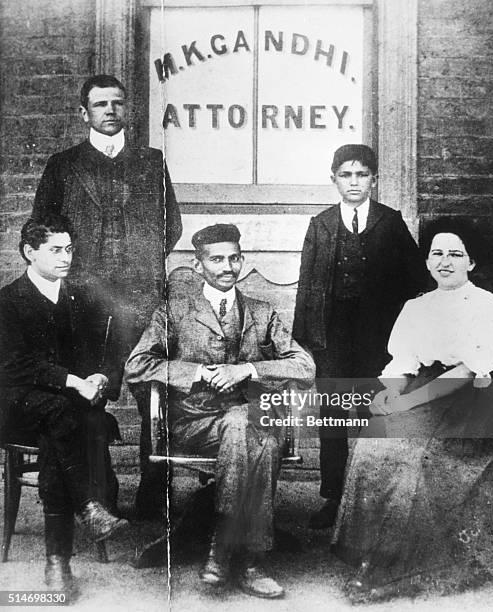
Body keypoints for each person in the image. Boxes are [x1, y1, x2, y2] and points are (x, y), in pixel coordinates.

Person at [125, 224, 315, 599]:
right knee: (256, 436)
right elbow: (136, 365)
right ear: (198, 267)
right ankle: (249, 559)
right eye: (217, 259)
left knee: (246, 424)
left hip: (247, 419)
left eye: (234, 258)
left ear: (242, 260)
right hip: (196, 422)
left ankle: (222, 548)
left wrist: (249, 369)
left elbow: (305, 367)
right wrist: (194, 372)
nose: (228, 267)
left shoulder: (262, 313)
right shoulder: (173, 313)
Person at [33, 74, 182, 517]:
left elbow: (170, 225)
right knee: (84, 393)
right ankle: (99, 495)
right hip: (82, 299)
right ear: (85, 113)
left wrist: (139, 266)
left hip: (139, 299)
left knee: (154, 392)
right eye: (101, 105)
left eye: (118, 103)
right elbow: (42, 228)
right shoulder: (63, 165)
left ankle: (153, 498)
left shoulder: (151, 161)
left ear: (127, 110)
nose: (110, 111)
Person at [331, 217, 493, 602]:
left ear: (471, 263)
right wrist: (389, 395)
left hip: (469, 401)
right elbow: (403, 364)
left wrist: (407, 403)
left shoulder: (486, 305)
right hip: (423, 390)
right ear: (426, 262)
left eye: (456, 254)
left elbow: (466, 370)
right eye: (437, 253)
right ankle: (367, 555)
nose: (445, 261)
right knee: (373, 441)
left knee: (412, 454)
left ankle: (392, 567)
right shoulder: (416, 306)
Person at [293, 144, 427, 528]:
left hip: (377, 338)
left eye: (362, 174)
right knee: (333, 417)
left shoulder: (390, 222)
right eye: (346, 175)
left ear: (374, 179)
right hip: (332, 336)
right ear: (333, 179)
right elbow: (307, 285)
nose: (354, 182)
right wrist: (305, 340)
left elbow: (417, 280)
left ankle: (371, 499)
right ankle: (333, 498)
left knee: (374, 412)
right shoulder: (321, 225)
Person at [0, 214, 128, 600]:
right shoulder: (7, 301)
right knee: (65, 416)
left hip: (65, 410)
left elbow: (104, 353)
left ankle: (58, 561)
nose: (65, 257)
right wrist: (72, 381)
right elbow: (12, 364)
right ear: (29, 252)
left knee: (66, 425)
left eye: (69, 249)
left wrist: (101, 378)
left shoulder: (80, 298)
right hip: (17, 405)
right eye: (55, 250)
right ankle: (90, 505)